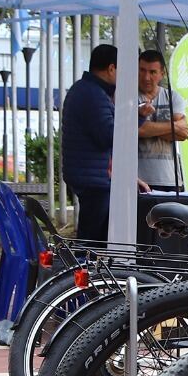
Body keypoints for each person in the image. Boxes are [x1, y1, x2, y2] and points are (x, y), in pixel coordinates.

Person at [60, 43, 118, 243]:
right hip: (95, 179)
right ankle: (86, 272)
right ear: (111, 68)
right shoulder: (94, 95)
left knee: (92, 235)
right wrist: (137, 118)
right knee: (93, 241)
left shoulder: (82, 89)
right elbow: (109, 135)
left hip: (87, 174)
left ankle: (86, 270)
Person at [136, 49, 188, 191]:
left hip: (170, 179)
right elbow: (136, 130)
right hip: (138, 180)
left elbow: (183, 134)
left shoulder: (173, 97)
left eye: (152, 72)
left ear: (162, 74)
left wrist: (146, 128)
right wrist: (174, 126)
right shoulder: (128, 97)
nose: (146, 77)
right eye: (142, 70)